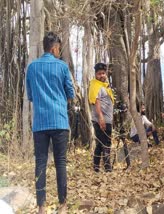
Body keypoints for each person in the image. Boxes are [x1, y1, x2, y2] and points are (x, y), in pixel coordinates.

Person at [26, 32, 74, 214]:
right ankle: (62, 206)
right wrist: (61, 102)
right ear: (54, 47)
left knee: (40, 163)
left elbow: (30, 95)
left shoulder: (32, 68)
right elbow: (70, 93)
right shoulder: (62, 67)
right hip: (60, 121)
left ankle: (41, 207)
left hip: (40, 123)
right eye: (58, 48)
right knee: (60, 162)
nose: (58, 51)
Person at [89, 62, 115, 173]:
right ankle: (107, 167)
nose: (102, 75)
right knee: (106, 143)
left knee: (100, 144)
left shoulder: (105, 86)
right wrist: (101, 118)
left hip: (107, 119)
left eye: (104, 73)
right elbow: (97, 102)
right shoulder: (95, 85)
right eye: (99, 74)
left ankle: (96, 167)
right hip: (101, 120)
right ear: (95, 74)